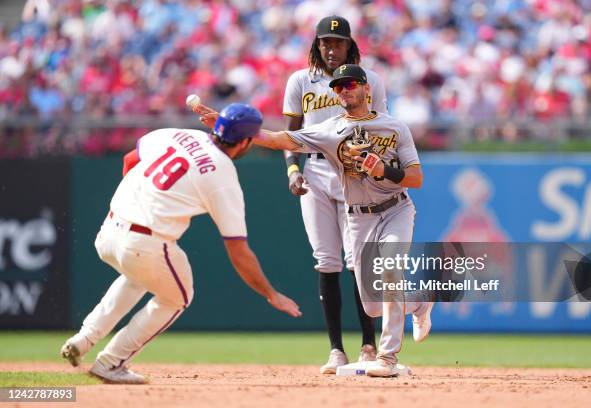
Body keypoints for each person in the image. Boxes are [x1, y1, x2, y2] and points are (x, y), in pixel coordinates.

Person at [195, 65, 433, 377]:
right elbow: (279, 139)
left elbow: (416, 178)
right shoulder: (330, 131)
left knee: (389, 271)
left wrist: (385, 170)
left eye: (350, 84)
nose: (344, 90)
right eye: (338, 87)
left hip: (395, 209)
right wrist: (230, 127)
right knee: (373, 305)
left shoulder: (394, 128)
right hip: (359, 217)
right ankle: (418, 302)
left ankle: (386, 359)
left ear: (366, 89)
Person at [60, 103, 302, 384]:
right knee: (178, 297)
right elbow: (238, 250)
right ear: (246, 141)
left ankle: (83, 339)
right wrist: (271, 293)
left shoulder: (178, 134)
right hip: (143, 241)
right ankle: (111, 362)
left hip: (109, 230)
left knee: (138, 278)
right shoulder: (222, 174)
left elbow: (129, 159)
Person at [282, 15, 387, 374]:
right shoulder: (300, 80)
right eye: (325, 42)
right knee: (326, 260)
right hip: (315, 171)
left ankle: (369, 344)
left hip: (354, 174)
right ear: (316, 44)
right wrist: (292, 169)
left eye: (338, 42)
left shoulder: (369, 80)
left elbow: (382, 128)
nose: (331, 48)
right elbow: (290, 134)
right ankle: (336, 350)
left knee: (359, 260)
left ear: (350, 45)